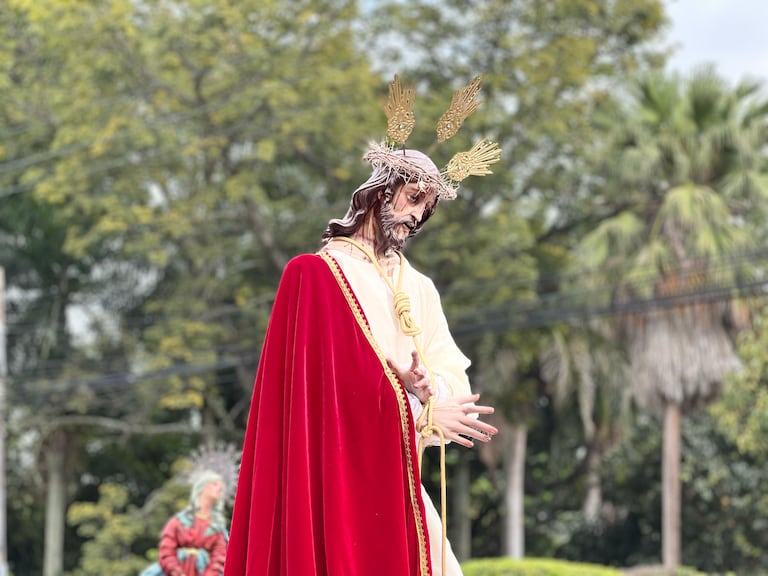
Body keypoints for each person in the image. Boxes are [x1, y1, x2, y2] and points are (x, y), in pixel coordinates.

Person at [224, 75, 501, 576]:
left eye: (426, 210)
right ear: (380, 192)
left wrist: (425, 396)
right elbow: (313, 396)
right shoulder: (316, 276)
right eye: (412, 198)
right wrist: (404, 396)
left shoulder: (421, 288)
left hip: (394, 475)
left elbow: (451, 385)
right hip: (328, 474)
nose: (416, 217)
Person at [141, 471, 229, 576]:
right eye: (215, 484)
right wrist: (176, 571)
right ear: (202, 487)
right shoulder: (179, 521)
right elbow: (166, 550)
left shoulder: (218, 527)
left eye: (221, 487)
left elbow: (219, 557)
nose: (220, 488)